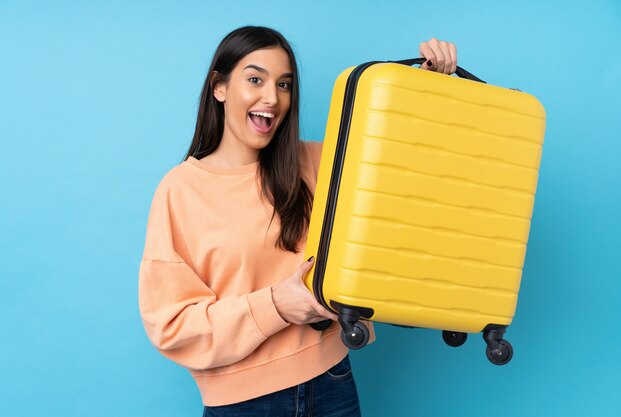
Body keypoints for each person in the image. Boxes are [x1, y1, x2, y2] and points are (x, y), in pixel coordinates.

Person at [138, 26, 458, 417]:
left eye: (284, 84)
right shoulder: (180, 191)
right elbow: (172, 326)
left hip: (333, 382)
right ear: (219, 87)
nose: (272, 98)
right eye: (255, 79)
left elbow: (405, 171)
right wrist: (277, 305)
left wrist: (428, 89)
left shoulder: (317, 161)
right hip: (242, 404)